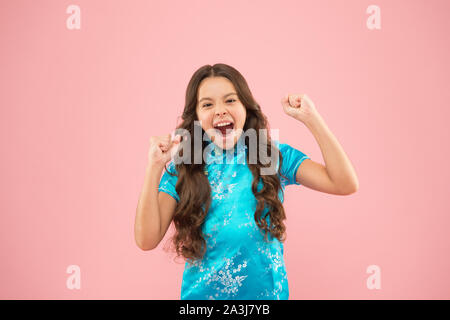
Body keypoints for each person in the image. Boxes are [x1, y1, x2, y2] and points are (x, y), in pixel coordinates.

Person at [135, 63, 359, 300]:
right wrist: (155, 166)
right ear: (197, 117)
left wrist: (311, 118)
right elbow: (146, 239)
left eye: (230, 100)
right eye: (207, 104)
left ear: (245, 107)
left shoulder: (270, 155)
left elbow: (344, 183)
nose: (220, 110)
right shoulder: (184, 167)